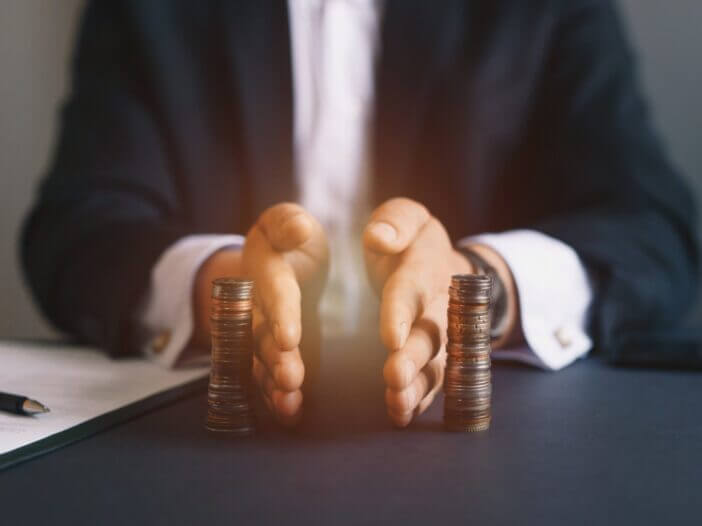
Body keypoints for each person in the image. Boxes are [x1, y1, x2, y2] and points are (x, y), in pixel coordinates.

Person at [21, 0, 698, 427]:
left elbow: (654, 227)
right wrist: (221, 281)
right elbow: (77, 227)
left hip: (499, 457)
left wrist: (477, 283)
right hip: (207, 449)